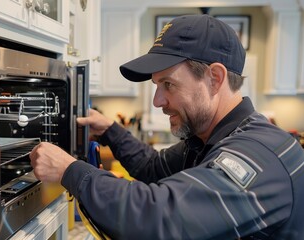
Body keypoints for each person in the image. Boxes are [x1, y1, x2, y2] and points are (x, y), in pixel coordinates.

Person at [30, 14, 304, 239]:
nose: (158, 101)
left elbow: (158, 217)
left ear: (215, 78)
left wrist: (69, 170)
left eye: (168, 84)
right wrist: (109, 130)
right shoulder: (208, 140)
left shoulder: (259, 154)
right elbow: (153, 168)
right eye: (157, 85)